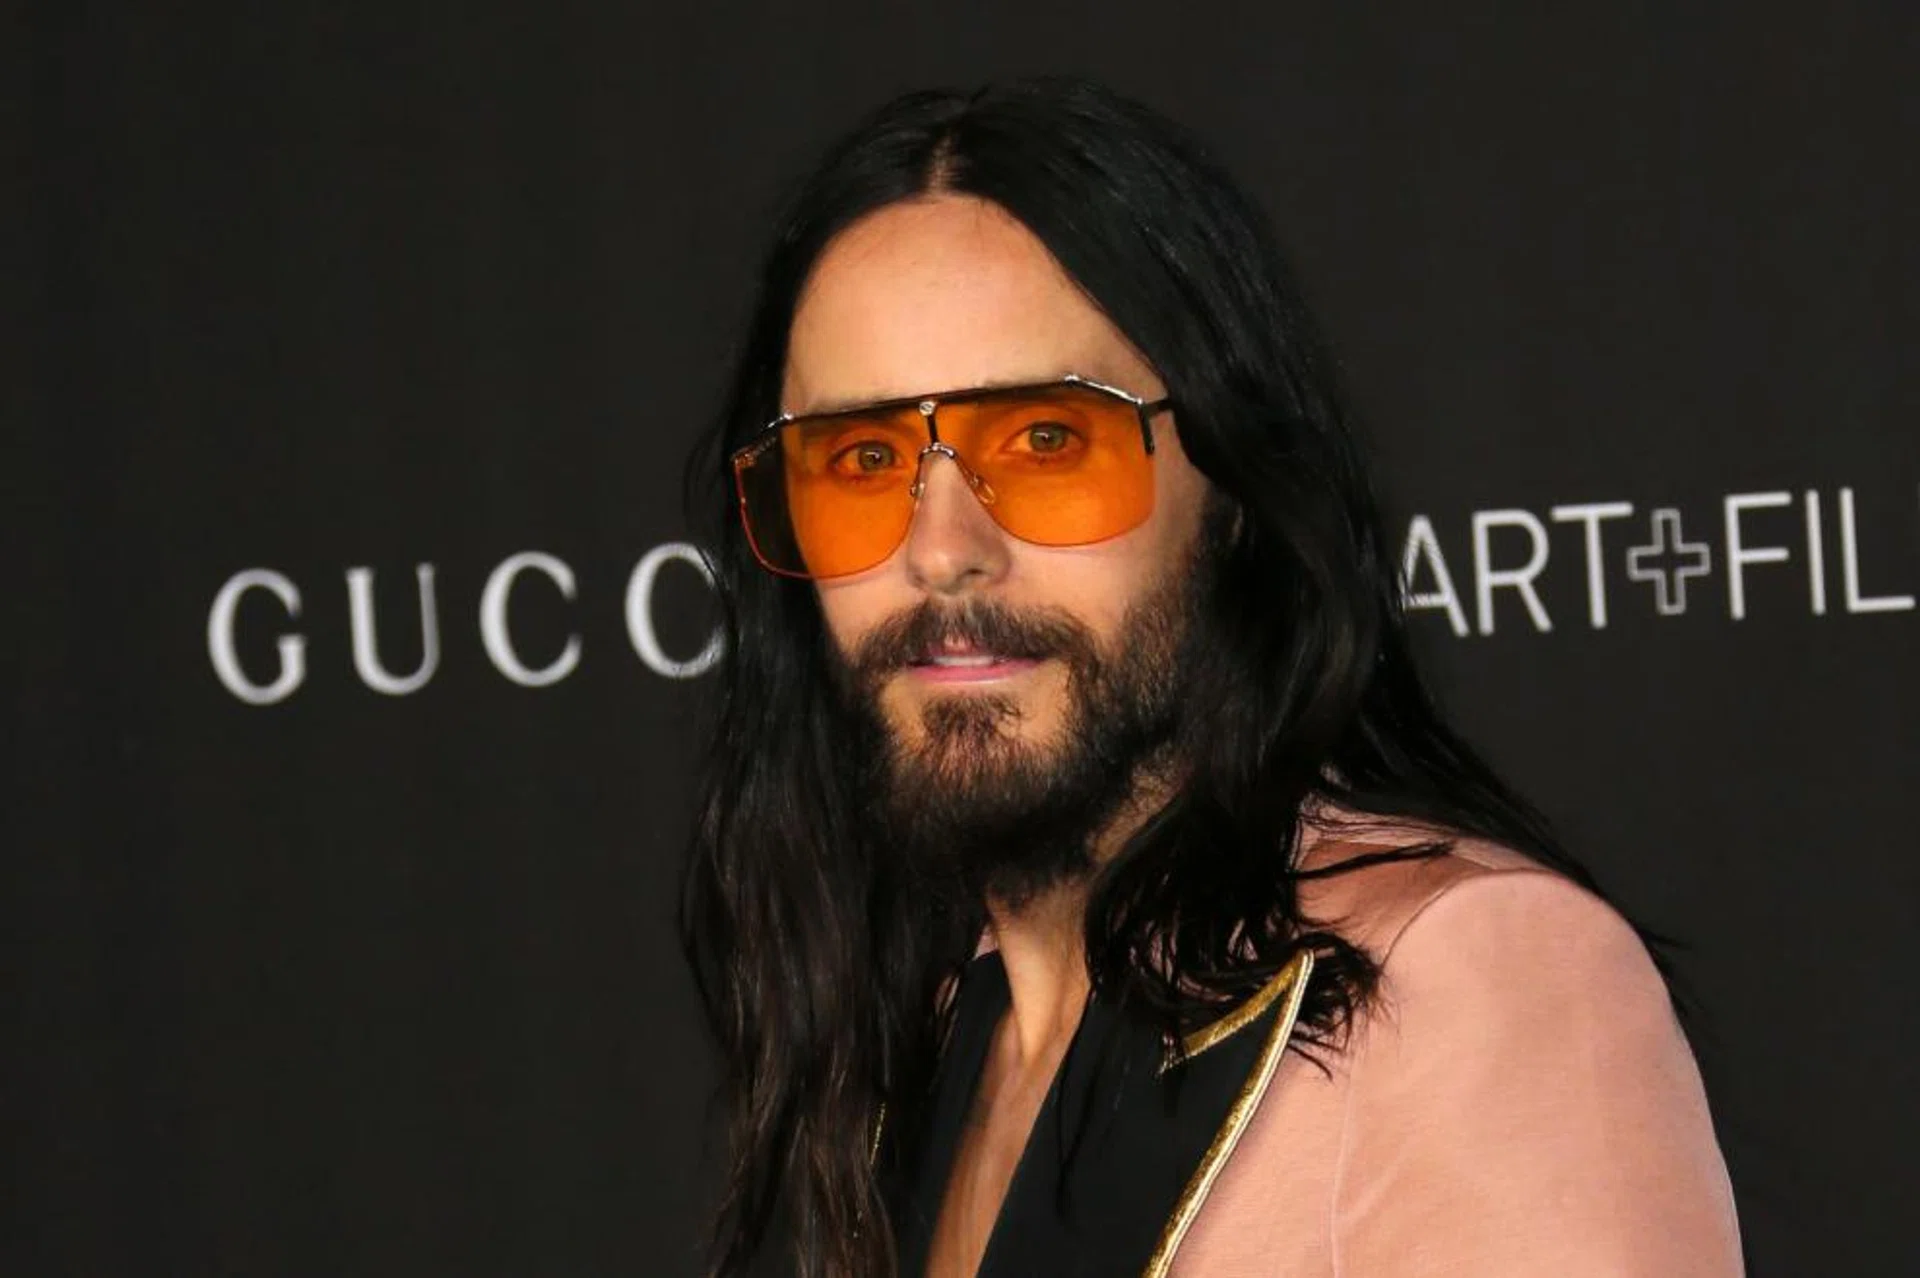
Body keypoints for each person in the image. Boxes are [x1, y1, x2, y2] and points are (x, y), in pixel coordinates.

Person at [679, 76, 1743, 1277]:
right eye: (861, 460)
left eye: (1045, 441)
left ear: (1229, 489)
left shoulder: (1461, 975)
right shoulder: (930, 1056)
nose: (940, 551)